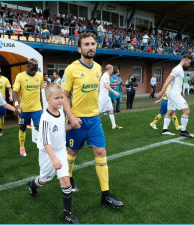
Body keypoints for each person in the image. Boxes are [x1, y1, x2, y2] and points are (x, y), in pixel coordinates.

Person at [61, 32, 123, 208]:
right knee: (72, 153)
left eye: (93, 44)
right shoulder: (71, 69)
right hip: (76, 121)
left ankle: (106, 195)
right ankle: (70, 178)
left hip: (94, 119)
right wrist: (71, 117)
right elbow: (64, 95)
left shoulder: (97, 68)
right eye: (86, 44)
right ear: (80, 48)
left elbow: (94, 92)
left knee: (101, 153)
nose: (90, 47)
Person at [27, 83, 79, 224]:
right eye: (57, 98)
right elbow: (46, 142)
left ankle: (67, 213)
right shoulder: (45, 118)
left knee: (65, 180)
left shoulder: (61, 112)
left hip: (61, 150)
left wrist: (72, 125)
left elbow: (60, 129)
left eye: (62, 97)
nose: (61, 100)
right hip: (48, 153)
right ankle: (32, 185)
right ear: (48, 99)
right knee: (45, 180)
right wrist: (54, 159)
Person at [156, 54, 194, 137]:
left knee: (170, 112)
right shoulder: (177, 69)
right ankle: (183, 131)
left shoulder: (180, 69)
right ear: (184, 60)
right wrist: (162, 92)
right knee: (186, 111)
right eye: (189, 62)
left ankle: (164, 130)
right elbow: (167, 81)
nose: (189, 64)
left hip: (172, 93)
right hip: (174, 94)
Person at [13, 58, 43, 157]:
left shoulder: (39, 76)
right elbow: (14, 91)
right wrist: (16, 104)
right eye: (32, 69)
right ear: (28, 66)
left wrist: (42, 105)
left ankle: (44, 146)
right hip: (24, 109)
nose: (34, 71)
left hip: (37, 108)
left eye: (36, 69)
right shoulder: (20, 76)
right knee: (22, 128)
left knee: (41, 127)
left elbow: (40, 91)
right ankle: (22, 147)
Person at [0, 63, 13, 139]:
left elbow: (9, 89)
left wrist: (10, 95)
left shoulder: (5, 79)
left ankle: (0, 128)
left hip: (2, 102)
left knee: (1, 117)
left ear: (0, 70)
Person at [99, 64, 122, 129]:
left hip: (106, 96)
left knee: (111, 110)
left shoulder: (107, 76)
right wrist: (114, 92)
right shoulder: (105, 75)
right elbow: (106, 85)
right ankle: (96, 124)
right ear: (109, 69)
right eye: (112, 69)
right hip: (103, 97)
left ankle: (114, 125)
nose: (112, 70)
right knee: (99, 112)